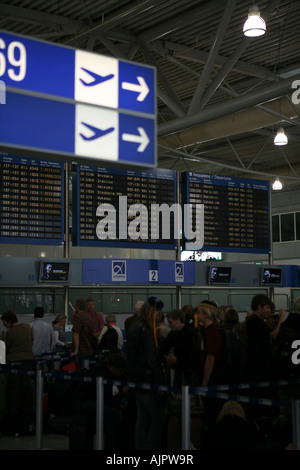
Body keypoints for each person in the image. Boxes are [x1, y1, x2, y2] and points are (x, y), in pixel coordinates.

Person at [126, 296, 166, 450]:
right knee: (156, 419)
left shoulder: (134, 324)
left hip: (137, 379)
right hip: (149, 380)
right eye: (157, 312)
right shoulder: (146, 328)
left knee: (142, 420)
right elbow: (151, 358)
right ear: (151, 311)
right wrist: (160, 383)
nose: (158, 316)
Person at [1, 311, 36, 434]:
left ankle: (16, 418)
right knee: (27, 388)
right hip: (29, 360)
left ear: (7, 321)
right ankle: (29, 416)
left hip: (15, 362)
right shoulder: (27, 326)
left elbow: (8, 348)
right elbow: (32, 342)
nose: (4, 324)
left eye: (4, 322)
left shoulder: (9, 333)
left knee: (15, 390)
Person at [160, 308, 200, 386]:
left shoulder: (190, 334)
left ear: (178, 320)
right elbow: (164, 348)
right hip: (180, 372)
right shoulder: (174, 333)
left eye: (170, 322)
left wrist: (177, 360)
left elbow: (193, 356)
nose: (168, 325)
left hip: (190, 373)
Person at [245, 294, 275, 382]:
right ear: (259, 307)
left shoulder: (251, 321)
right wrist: (281, 319)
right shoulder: (256, 322)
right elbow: (272, 335)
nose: (269, 311)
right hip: (259, 367)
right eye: (267, 307)